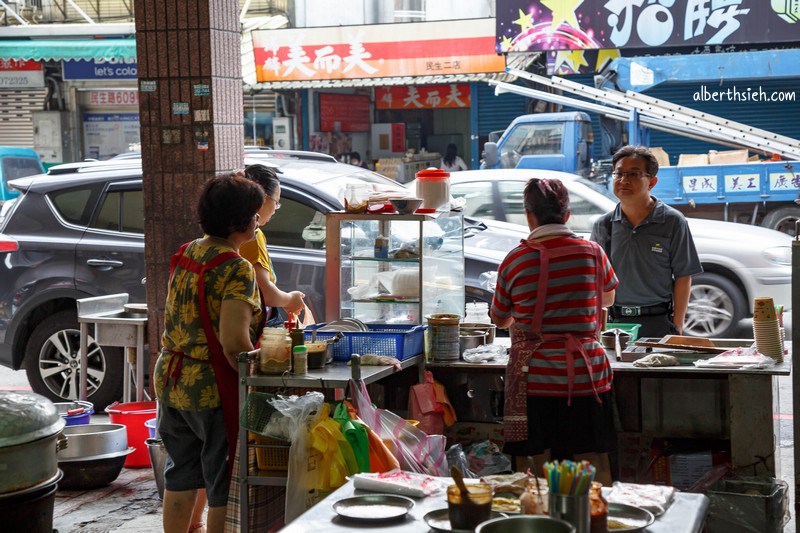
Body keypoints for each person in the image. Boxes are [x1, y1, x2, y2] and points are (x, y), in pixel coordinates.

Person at [154, 173, 264, 533]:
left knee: (182, 471)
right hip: (209, 387)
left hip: (171, 376)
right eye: (254, 214)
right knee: (223, 481)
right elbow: (233, 342)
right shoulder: (236, 267)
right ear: (238, 222)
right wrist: (257, 377)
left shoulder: (189, 251)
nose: (258, 220)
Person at [491, 177, 618, 484]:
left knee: (535, 470)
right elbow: (608, 298)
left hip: (535, 380)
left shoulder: (514, 260)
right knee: (592, 462)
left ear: (528, 215)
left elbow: (499, 318)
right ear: (567, 215)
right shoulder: (592, 252)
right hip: (587, 375)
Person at [590, 145, 702, 338]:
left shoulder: (672, 221)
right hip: (615, 325)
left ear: (652, 182)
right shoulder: (604, 225)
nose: (624, 180)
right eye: (619, 174)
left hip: (658, 322)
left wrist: (677, 327)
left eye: (634, 174)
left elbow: (683, 277)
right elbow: (595, 280)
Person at [239, 164, 305, 323]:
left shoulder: (222, 230)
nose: (276, 209)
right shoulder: (251, 237)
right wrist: (290, 299)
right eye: (276, 202)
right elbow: (265, 293)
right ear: (263, 199)